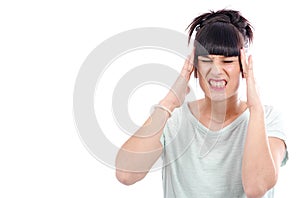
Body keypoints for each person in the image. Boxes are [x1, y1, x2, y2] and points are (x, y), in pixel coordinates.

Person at [115, 9, 288, 198]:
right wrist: (169, 103)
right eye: (206, 60)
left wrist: (255, 108)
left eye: (227, 61)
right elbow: (125, 175)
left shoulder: (266, 119)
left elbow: (256, 188)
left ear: (244, 67)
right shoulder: (172, 118)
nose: (216, 71)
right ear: (195, 67)